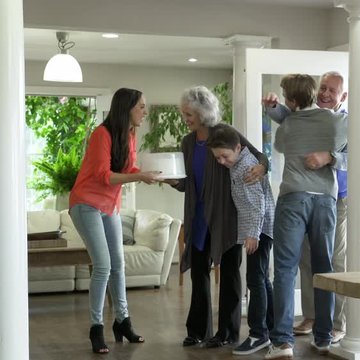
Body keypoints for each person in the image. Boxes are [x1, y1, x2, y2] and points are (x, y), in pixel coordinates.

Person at [165, 86, 268, 349]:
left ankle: (227, 332)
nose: (185, 118)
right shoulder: (188, 142)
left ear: (202, 113)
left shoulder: (225, 133)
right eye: (184, 113)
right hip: (197, 214)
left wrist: (261, 168)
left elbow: (258, 156)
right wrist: (171, 181)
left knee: (230, 271)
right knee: (198, 272)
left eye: (189, 114)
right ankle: (197, 330)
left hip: (226, 214)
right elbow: (188, 181)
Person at [69, 87, 160, 354]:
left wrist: (148, 175)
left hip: (109, 205)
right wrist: (139, 177)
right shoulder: (101, 134)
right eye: (141, 106)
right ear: (128, 107)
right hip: (86, 203)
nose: (145, 111)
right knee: (103, 265)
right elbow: (103, 176)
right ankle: (96, 328)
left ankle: (123, 321)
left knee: (119, 264)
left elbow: (127, 169)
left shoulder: (130, 135)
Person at [263, 74, 348, 359]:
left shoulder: (288, 124)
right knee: (324, 269)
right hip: (325, 201)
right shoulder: (338, 122)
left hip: (293, 199)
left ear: (290, 99)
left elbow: (281, 146)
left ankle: (283, 343)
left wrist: (329, 156)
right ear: (314, 92)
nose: (326, 93)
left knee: (285, 270)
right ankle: (324, 338)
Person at [208, 126, 275, 356]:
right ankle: (272, 329)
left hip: (259, 231)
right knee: (262, 279)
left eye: (224, 156)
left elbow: (258, 204)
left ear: (238, 148)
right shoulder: (237, 164)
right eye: (217, 158)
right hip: (257, 230)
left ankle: (258, 334)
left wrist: (253, 234)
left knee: (254, 280)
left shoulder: (246, 167)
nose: (221, 162)